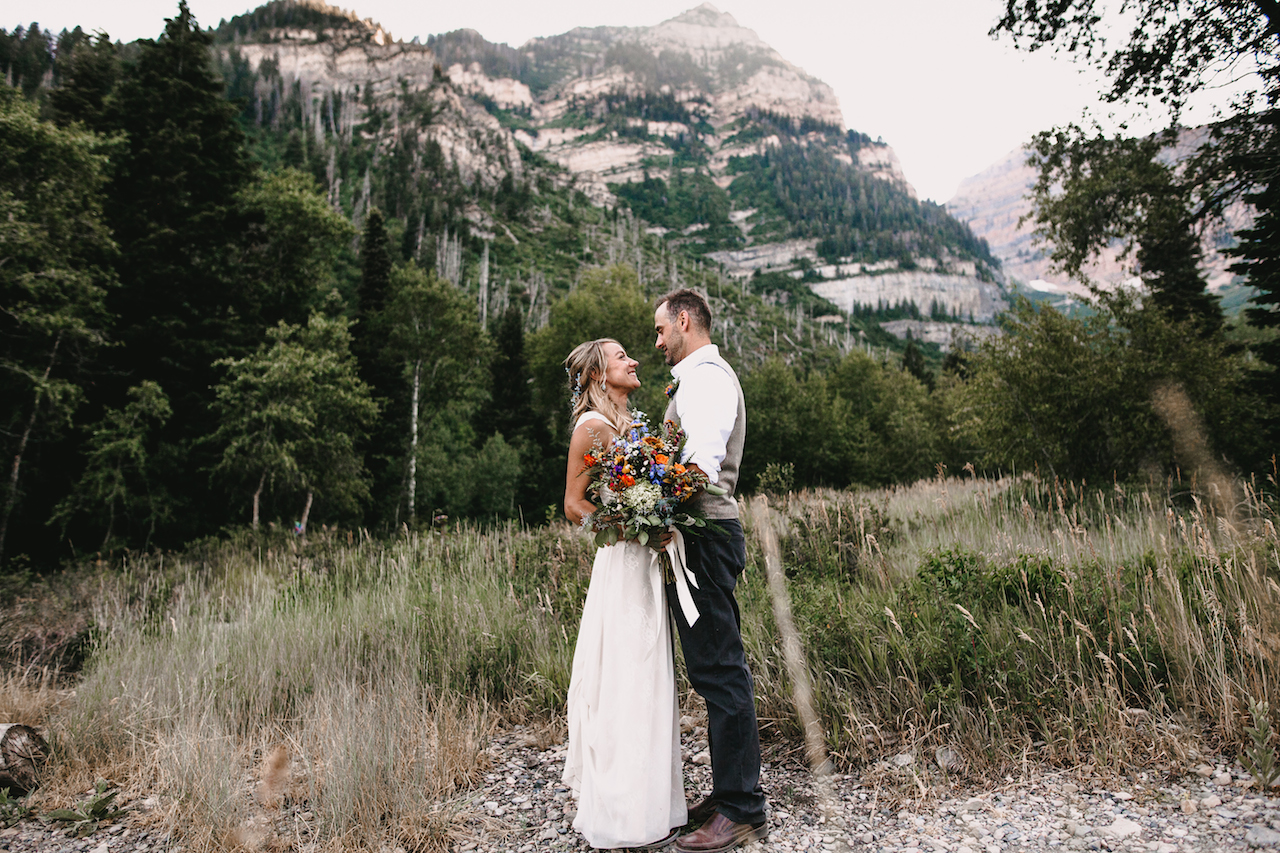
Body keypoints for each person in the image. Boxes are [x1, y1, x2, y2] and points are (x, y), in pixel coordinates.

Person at [560, 338, 686, 850]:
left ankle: (657, 803)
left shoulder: (633, 428)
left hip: (648, 565)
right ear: (597, 375)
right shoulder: (591, 428)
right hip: (622, 564)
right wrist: (628, 527)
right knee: (624, 679)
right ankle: (623, 811)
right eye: (621, 357)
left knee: (651, 675)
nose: (633, 361)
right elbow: (573, 504)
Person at [654, 289, 768, 853]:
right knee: (711, 669)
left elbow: (700, 464)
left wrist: (654, 503)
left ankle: (744, 811)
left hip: (706, 534)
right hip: (697, 535)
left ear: (683, 320)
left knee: (722, 671)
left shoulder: (709, 379)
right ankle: (728, 795)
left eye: (660, 330)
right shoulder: (693, 379)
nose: (657, 343)